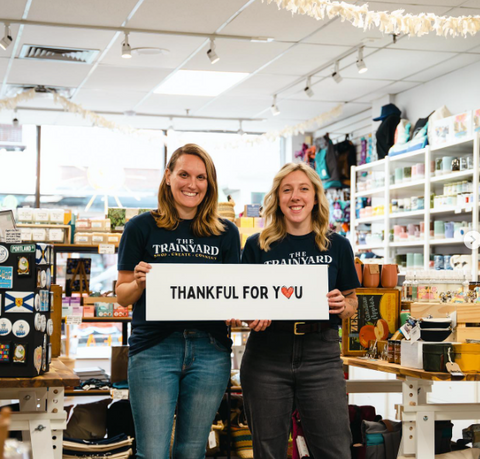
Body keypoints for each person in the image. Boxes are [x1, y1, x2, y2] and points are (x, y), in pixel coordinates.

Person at [116, 144, 240, 459]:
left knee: (192, 451)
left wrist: (238, 311)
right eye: (184, 174)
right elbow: (122, 294)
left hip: (210, 351)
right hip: (154, 349)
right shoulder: (140, 227)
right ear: (168, 176)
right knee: (153, 452)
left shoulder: (226, 233)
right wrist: (138, 282)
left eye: (201, 177)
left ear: (209, 184)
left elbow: (232, 294)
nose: (192, 184)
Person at [240, 162, 360, 458]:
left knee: (335, 450)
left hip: (321, 354)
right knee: (268, 451)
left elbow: (353, 302)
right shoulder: (257, 246)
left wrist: (344, 305)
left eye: (303, 189)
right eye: (287, 190)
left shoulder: (337, 245)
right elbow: (242, 302)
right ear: (277, 198)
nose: (296, 196)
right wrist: (251, 316)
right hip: (267, 354)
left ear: (315, 197)